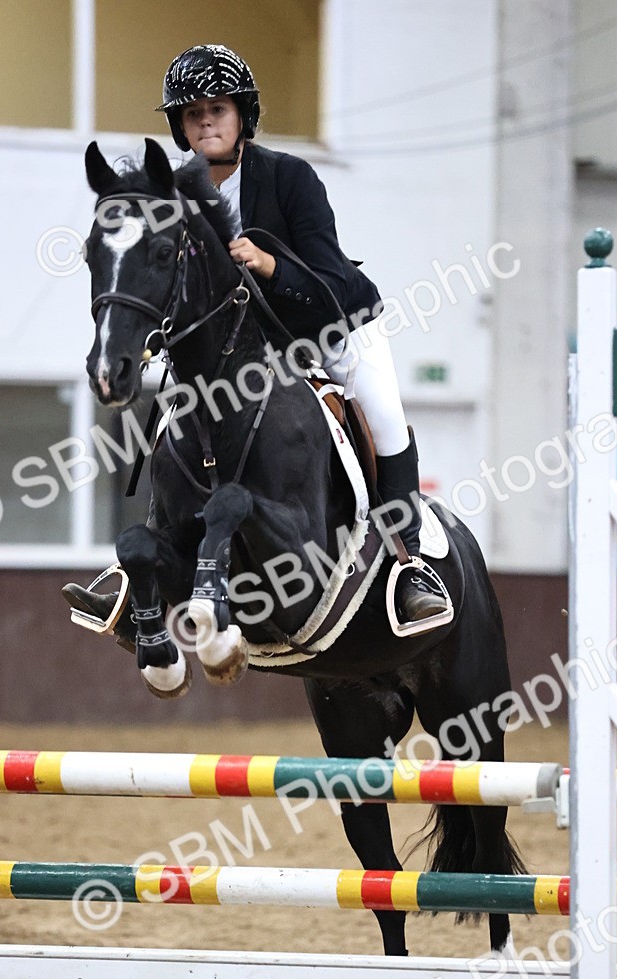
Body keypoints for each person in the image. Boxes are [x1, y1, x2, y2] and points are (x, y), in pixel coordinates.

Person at [66, 43, 449, 638]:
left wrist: (272, 267)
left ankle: (410, 563)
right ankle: (134, 566)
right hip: (241, 351)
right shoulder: (175, 196)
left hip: (329, 327)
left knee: (384, 413)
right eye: (191, 114)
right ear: (179, 126)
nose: (205, 122)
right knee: (175, 428)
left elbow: (332, 279)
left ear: (242, 115)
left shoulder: (290, 177)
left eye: (216, 108)